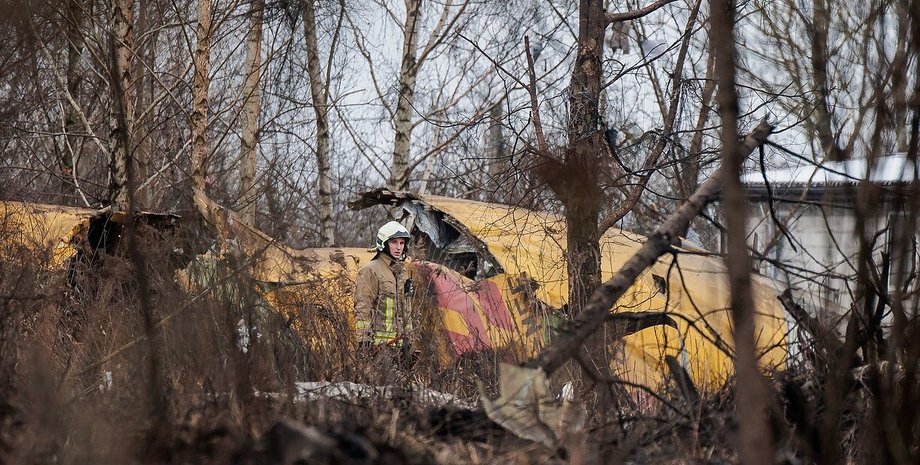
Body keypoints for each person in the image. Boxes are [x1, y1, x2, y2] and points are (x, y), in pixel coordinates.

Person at [353, 221, 416, 367]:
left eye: (402, 243)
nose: (399, 247)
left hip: (401, 347)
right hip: (378, 348)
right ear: (383, 243)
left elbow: (406, 311)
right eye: (394, 242)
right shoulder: (371, 270)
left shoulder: (402, 272)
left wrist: (409, 341)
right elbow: (363, 307)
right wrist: (364, 341)